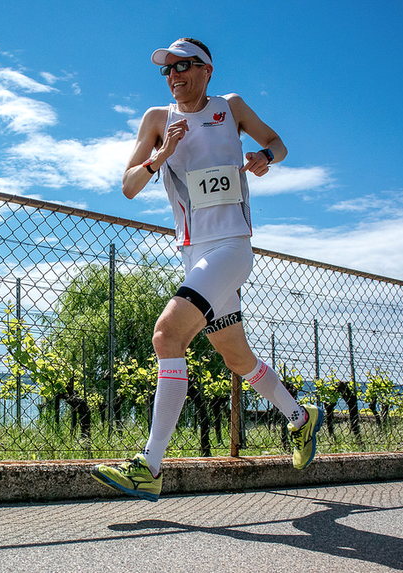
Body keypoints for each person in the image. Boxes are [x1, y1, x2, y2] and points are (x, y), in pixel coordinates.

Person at [91, 38, 323, 502]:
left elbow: (277, 143)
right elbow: (129, 187)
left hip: (231, 248)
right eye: (167, 70)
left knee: (166, 335)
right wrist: (159, 156)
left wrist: (264, 158)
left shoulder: (229, 108)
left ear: (206, 70)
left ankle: (149, 465)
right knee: (237, 358)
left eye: (183, 66)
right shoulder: (157, 120)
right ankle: (300, 417)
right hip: (192, 254)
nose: (174, 76)